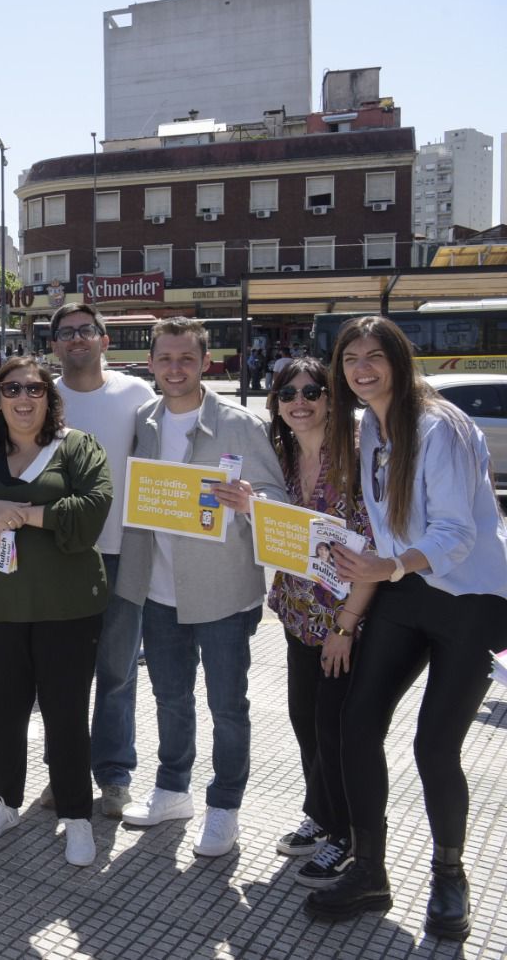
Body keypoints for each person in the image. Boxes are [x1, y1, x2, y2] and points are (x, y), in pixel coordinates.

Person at [305, 317, 507, 940]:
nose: (362, 369)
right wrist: (351, 615)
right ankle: (370, 869)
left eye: (375, 357)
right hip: (405, 587)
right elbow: (382, 529)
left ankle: (450, 877)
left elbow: (457, 532)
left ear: (398, 359)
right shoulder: (369, 427)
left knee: (434, 745)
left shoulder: (437, 425)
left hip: (470, 597)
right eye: (350, 359)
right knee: (355, 723)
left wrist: (388, 566)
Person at [117, 317, 286, 858]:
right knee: (169, 699)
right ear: (151, 363)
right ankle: (173, 789)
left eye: (186, 358)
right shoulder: (144, 419)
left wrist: (250, 504)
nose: (174, 368)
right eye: (165, 358)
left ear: (205, 361)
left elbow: (277, 502)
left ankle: (224, 806)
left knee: (227, 706)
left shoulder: (238, 424)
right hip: (159, 590)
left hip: (222, 594)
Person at [0, 357, 111, 865]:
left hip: (68, 608)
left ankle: (76, 814)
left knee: (65, 714)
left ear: (48, 399)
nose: (23, 398)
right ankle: (7, 800)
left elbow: (93, 510)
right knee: (4, 710)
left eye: (34, 389)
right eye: (11, 388)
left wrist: (26, 515)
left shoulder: (77, 448)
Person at [246, 357, 374, 889]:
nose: (300, 401)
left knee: (336, 728)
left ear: (330, 397)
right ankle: (321, 817)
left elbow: (372, 546)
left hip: (349, 620)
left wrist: (345, 626)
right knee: (305, 722)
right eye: (288, 393)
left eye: (312, 391)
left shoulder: (358, 455)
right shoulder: (280, 455)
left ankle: (348, 837)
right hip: (299, 614)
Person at [41, 302, 156, 818]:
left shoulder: (137, 394)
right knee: (61, 676)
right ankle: (62, 775)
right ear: (54, 345)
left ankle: (113, 776)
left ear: (105, 340)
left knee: (117, 671)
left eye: (87, 330)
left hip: (122, 551)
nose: (77, 339)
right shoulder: (40, 396)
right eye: (66, 333)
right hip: (58, 554)